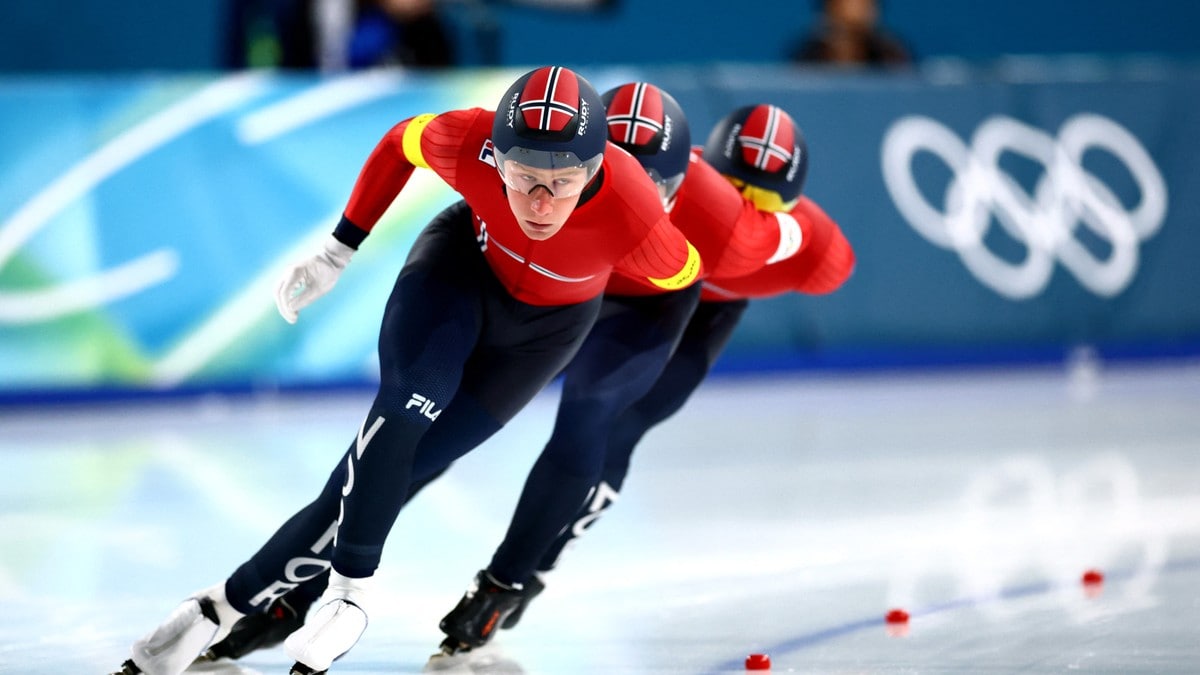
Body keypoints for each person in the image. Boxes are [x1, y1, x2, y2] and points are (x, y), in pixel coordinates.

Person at [177, 85, 818, 666]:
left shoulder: (723, 229)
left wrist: (780, 238)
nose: (555, 199)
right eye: (549, 177)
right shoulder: (527, 167)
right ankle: (302, 585)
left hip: (649, 298)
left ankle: (507, 583)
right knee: (411, 442)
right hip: (545, 292)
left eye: (650, 188)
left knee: (595, 421)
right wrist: (340, 248)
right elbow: (413, 142)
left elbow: (827, 258)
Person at [435, 102, 855, 650]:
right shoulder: (670, 187)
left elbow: (834, 266)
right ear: (704, 176)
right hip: (622, 285)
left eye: (767, 202)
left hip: (690, 306)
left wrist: (776, 238)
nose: (748, 208)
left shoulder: (786, 241)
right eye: (736, 190)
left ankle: (522, 573)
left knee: (613, 425)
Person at [790, 0, 911, 67]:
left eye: (864, 4)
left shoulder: (891, 54)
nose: (854, 10)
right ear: (829, 8)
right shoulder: (807, 55)